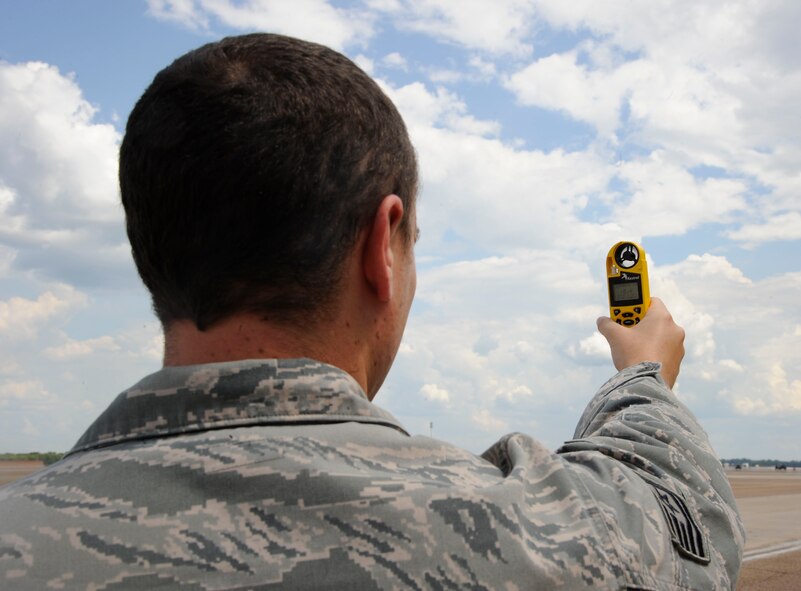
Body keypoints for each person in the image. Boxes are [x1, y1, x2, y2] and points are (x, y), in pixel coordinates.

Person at [0, 33, 743, 590]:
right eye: (411, 241)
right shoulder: (513, 540)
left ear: (151, 251)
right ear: (379, 246)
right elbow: (678, 519)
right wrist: (641, 375)